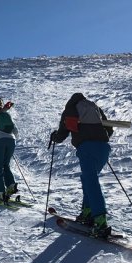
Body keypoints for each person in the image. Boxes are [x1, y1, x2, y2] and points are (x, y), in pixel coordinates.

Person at [49, 93, 113, 237]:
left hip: (86, 147)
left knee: (91, 181)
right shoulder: (94, 106)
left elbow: (62, 134)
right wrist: (99, 138)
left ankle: (100, 219)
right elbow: (109, 129)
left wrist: (54, 137)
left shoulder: (70, 109)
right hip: (103, 148)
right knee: (88, 178)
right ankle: (88, 211)